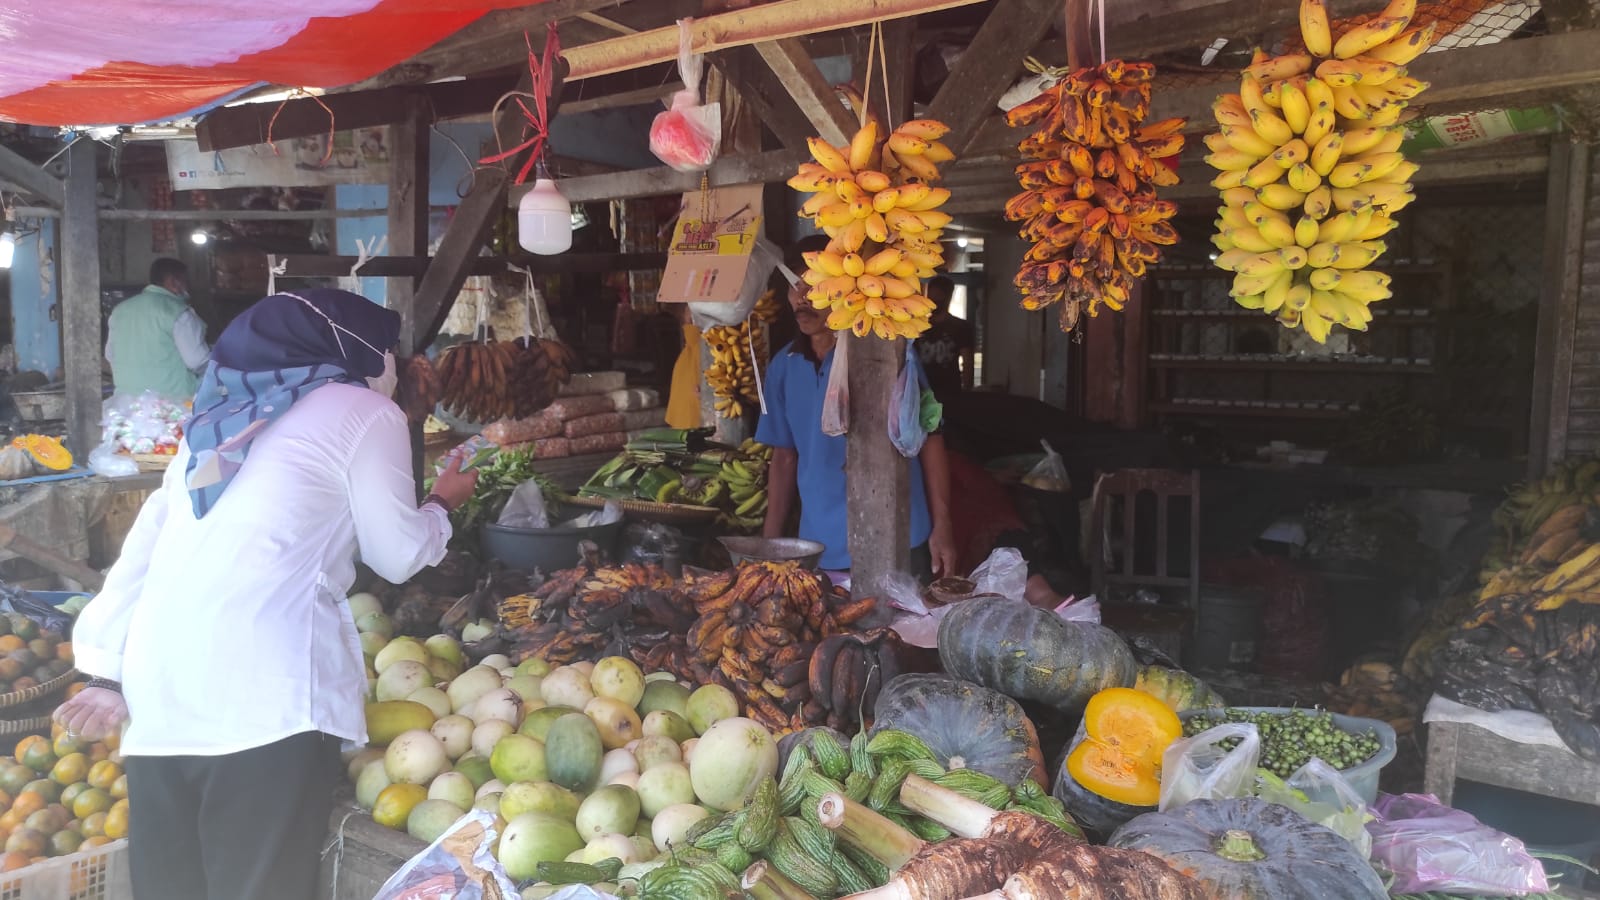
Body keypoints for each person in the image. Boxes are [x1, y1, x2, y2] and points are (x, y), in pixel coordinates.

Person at [54, 288, 480, 900]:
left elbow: (146, 552)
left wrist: (104, 668)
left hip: (161, 697)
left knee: (171, 889)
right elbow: (398, 554)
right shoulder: (361, 410)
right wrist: (442, 502)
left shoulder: (216, 425)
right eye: (387, 349)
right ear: (356, 349)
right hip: (265, 700)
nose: (394, 363)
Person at [757, 239, 956, 579]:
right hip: (820, 547)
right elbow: (784, 458)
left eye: (815, 286)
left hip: (898, 539)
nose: (802, 298)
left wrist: (944, 525)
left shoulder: (885, 356)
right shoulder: (783, 367)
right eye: (795, 285)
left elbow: (930, 438)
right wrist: (769, 546)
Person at [106, 258, 211, 399]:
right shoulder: (178, 313)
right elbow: (197, 361)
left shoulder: (119, 311)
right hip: (171, 406)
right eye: (186, 282)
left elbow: (110, 355)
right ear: (174, 282)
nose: (187, 288)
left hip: (126, 402)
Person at [914, 275, 975, 404]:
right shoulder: (918, 326)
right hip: (920, 393)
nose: (933, 300)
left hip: (950, 393)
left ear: (948, 297)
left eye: (938, 296)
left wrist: (967, 393)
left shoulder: (961, 327)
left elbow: (968, 362)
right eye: (930, 295)